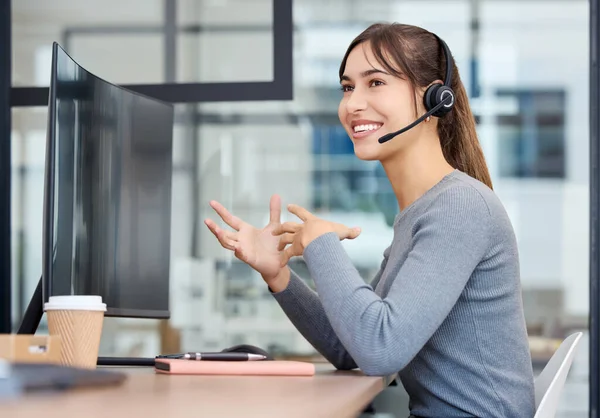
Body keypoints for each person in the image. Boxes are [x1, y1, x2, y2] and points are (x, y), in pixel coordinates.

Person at [204, 22, 535, 418]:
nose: (352, 104)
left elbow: (380, 348)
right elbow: (351, 347)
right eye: (347, 87)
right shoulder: (421, 214)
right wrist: (280, 276)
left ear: (434, 99)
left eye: (375, 83)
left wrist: (321, 243)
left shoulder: (460, 207)